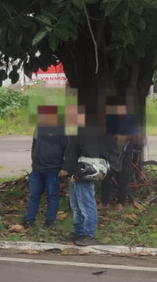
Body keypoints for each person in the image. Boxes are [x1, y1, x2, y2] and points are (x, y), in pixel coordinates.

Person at [60, 105, 113, 247]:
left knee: (86, 204)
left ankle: (89, 234)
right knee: (76, 205)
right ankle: (78, 232)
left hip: (83, 172)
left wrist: (73, 172)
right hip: (76, 172)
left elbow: (88, 155)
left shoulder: (86, 132)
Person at [22, 105, 67, 228]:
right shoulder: (39, 127)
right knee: (34, 195)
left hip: (53, 169)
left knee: (52, 195)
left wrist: (64, 167)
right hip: (37, 169)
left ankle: (50, 221)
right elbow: (34, 144)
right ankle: (29, 220)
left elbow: (67, 149)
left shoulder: (61, 129)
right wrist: (34, 161)